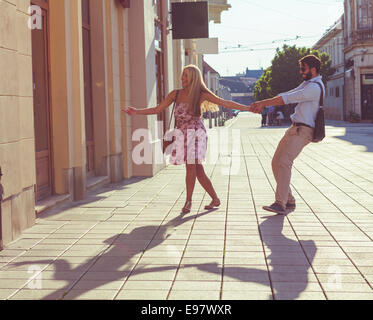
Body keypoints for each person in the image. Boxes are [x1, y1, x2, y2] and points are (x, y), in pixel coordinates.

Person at [123, 64, 249, 214]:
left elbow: (225, 103)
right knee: (198, 170)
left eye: (186, 76)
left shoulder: (201, 95)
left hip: (196, 134)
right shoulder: (175, 94)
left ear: (193, 78)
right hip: (182, 134)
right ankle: (215, 199)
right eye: (182, 75)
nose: (182, 78)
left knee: (191, 166)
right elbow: (157, 109)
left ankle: (188, 201)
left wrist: (248, 108)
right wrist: (137, 112)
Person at [249, 55, 325, 214]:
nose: (301, 71)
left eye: (303, 68)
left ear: (313, 69)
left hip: (304, 131)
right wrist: (265, 101)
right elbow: (287, 93)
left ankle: (280, 203)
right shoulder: (307, 84)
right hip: (295, 128)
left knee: (284, 162)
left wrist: (263, 103)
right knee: (276, 162)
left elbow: (288, 98)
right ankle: (289, 199)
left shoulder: (314, 87)